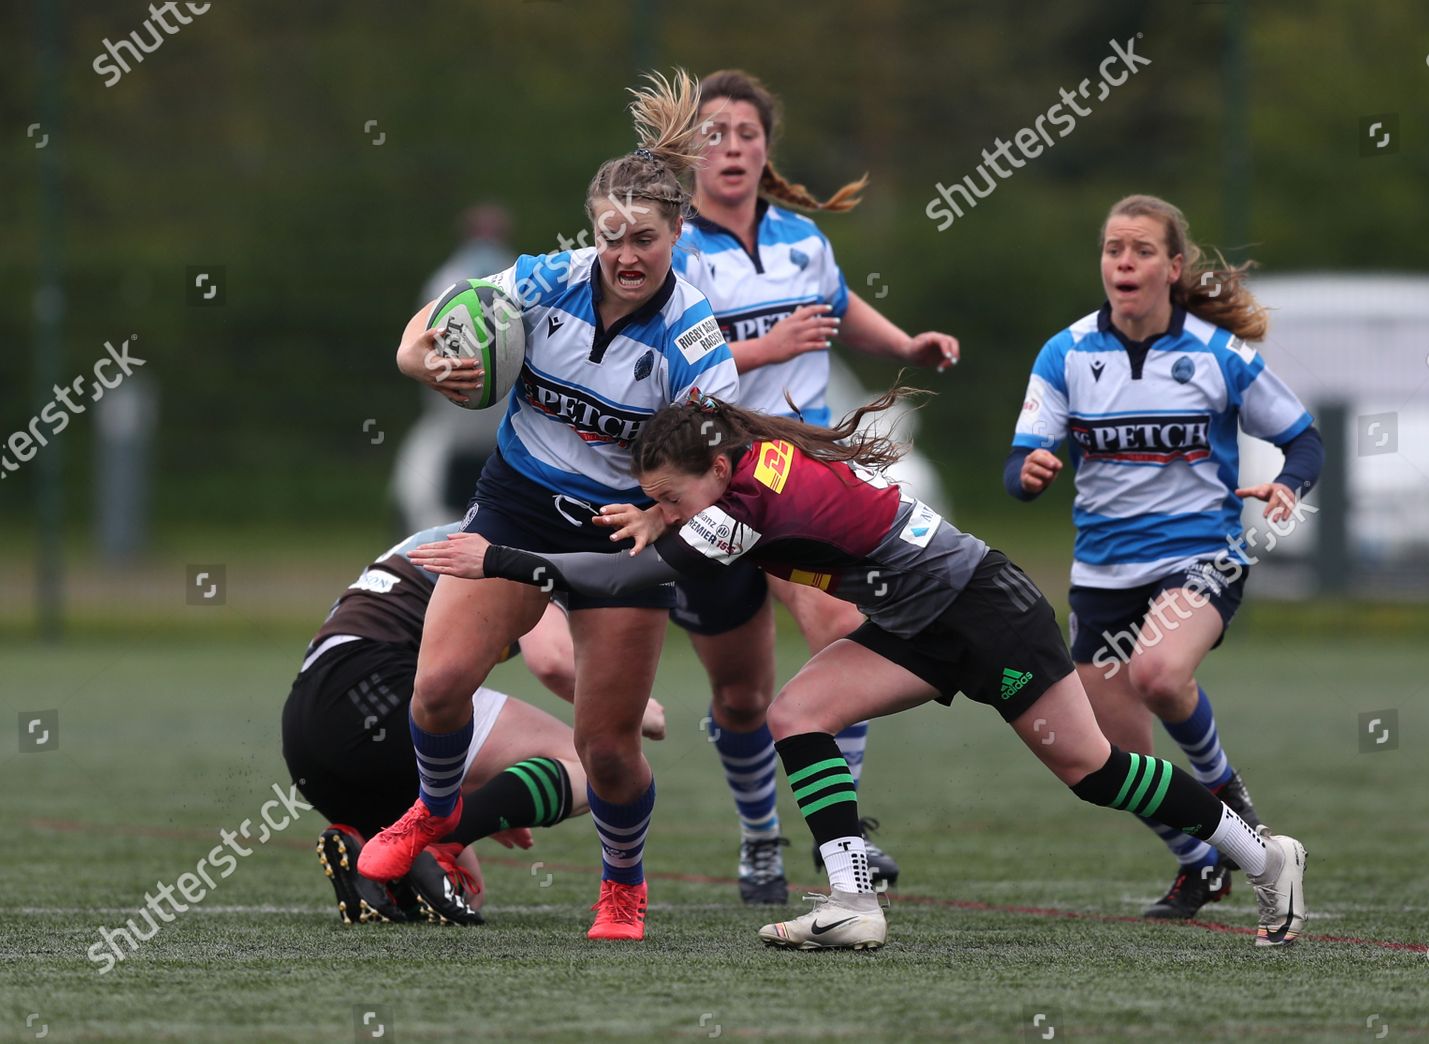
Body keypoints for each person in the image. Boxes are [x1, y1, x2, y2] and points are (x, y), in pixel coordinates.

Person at [408, 391, 1310, 952]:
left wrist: (501, 560)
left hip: (985, 612)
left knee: (1095, 771)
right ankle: (854, 903)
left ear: (716, 471)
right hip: (922, 615)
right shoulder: (738, 474)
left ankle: (1263, 853)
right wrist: (657, 513)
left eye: (672, 498)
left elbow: (636, 578)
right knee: (798, 714)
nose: (667, 514)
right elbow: (666, 535)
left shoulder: (752, 503)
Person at [356, 70, 739, 943]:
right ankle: (434, 816)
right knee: (440, 687)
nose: (627, 255)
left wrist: (661, 520)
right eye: (613, 237)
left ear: (678, 233)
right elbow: (431, 323)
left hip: (624, 529)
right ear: (593, 230)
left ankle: (623, 889)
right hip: (520, 500)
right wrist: (427, 364)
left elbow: (718, 468)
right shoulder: (545, 280)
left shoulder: (694, 342)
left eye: (645, 238)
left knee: (605, 748)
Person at [655, 68, 961, 902]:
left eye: (746, 134)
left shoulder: (800, 240)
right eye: (713, 133)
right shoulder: (672, 247)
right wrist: (765, 347)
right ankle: (761, 839)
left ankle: (842, 838)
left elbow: (838, 303)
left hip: (799, 472)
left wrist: (906, 343)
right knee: (742, 692)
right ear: (689, 153)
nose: (732, 148)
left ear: (766, 149)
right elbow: (670, 369)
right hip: (713, 481)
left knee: (845, 635)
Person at [1005, 193, 1324, 918]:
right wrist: (1027, 473)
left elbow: (1305, 439)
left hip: (1199, 555)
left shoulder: (1219, 354)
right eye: (1114, 248)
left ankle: (1226, 792)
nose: (1124, 260)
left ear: (1172, 267)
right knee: (1098, 757)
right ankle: (1198, 860)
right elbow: (1020, 463)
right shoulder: (1067, 353)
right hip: (1101, 573)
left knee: (1158, 672)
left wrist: (1287, 483)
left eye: (1142, 250)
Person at [282, 522, 667, 925]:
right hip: (377, 690)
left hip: (306, 733)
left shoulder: (454, 532)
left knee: (468, 891)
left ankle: (365, 860)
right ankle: (449, 831)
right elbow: (553, 660)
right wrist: (636, 712)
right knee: (593, 761)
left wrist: (500, 797)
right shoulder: (524, 534)